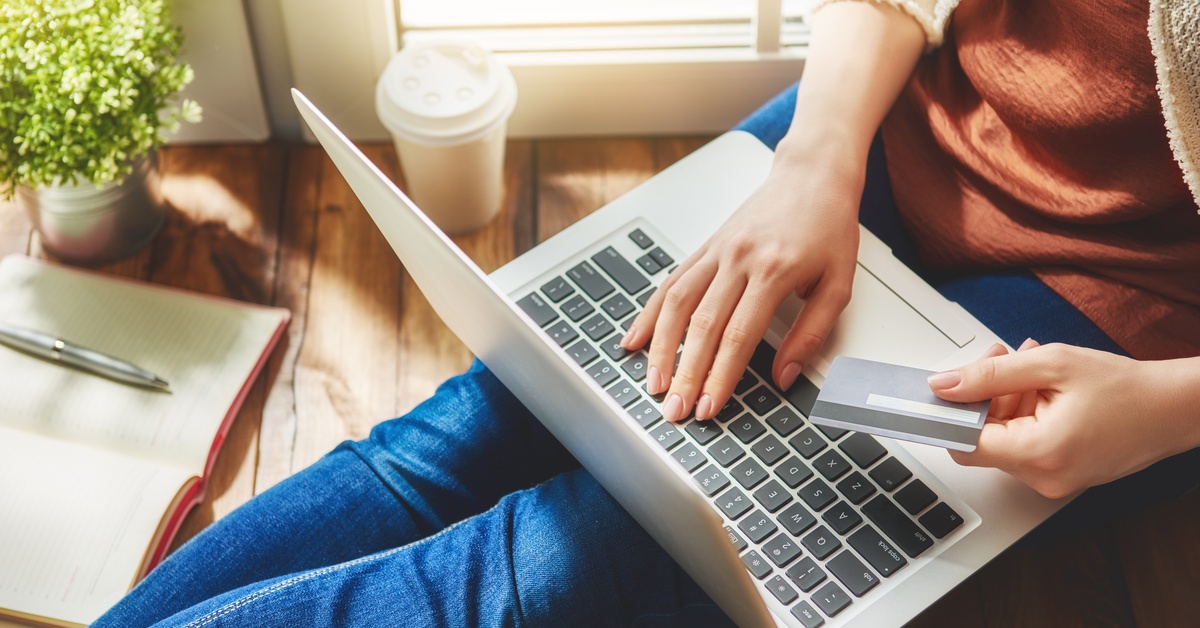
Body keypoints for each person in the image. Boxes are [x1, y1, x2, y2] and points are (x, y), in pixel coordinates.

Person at [95, 0, 1200, 625]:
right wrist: (818, 153)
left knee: (576, 554)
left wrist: (1163, 408)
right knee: (478, 424)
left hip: (1136, 309)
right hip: (893, 125)